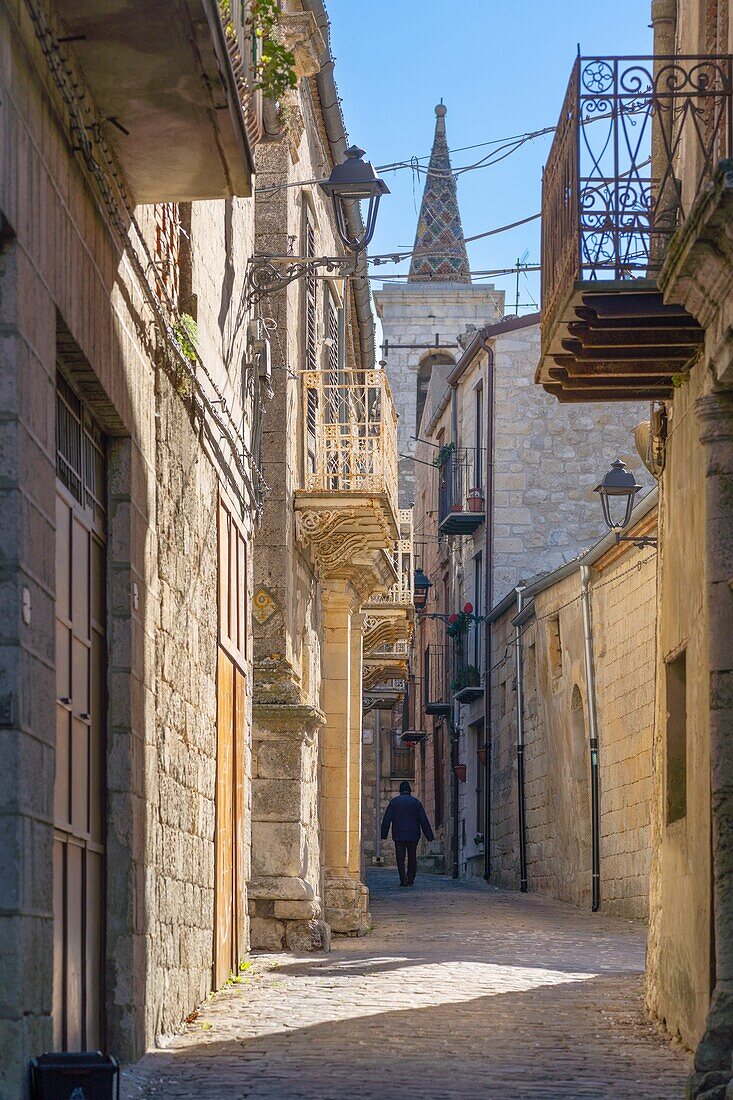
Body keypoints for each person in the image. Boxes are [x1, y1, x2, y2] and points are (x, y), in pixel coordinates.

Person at [380, 781, 434, 887]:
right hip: (413, 835)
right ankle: (410, 878)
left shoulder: (394, 802)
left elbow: (387, 819)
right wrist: (429, 835)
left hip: (399, 834)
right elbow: (423, 820)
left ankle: (402, 879)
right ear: (409, 790)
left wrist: (384, 834)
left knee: (400, 858)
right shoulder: (416, 802)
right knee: (412, 857)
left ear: (400, 790)